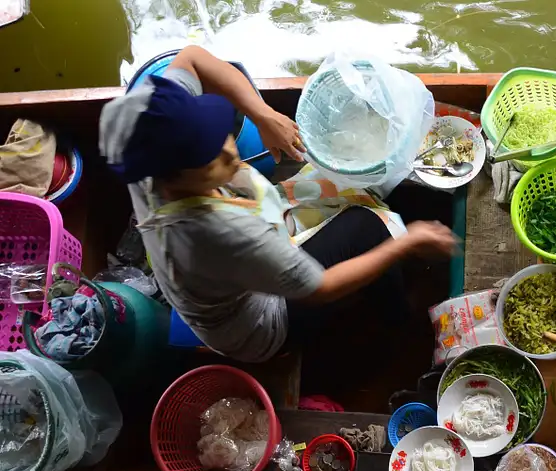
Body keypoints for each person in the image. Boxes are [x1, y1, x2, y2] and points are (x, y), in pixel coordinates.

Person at [98, 45, 456, 362]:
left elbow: (192, 57)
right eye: (210, 161)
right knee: (367, 228)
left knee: (331, 192)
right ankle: (397, 319)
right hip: (259, 326)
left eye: (219, 137)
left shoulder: (140, 132)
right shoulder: (222, 233)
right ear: (174, 178)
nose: (230, 152)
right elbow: (321, 287)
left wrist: (262, 115)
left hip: (212, 284)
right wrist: (408, 242)